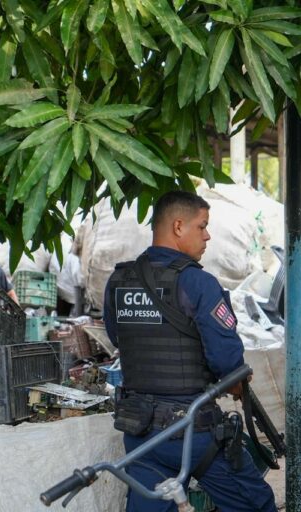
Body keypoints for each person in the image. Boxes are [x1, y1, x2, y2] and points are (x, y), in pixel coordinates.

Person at [103, 191, 276, 512]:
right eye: (202, 226)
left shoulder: (120, 280)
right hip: (193, 434)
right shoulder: (198, 283)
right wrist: (235, 383)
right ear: (179, 226)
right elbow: (226, 359)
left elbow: (118, 338)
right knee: (256, 505)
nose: (207, 235)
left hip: (140, 433)